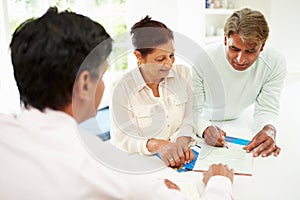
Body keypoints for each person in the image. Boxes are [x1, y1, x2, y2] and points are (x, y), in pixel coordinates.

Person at [0, 7, 235, 200]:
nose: (169, 63)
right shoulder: (107, 170)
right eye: (101, 75)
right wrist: (219, 182)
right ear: (84, 84)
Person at [193, 8, 287, 157]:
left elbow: (267, 108)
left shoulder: (275, 62)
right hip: (206, 119)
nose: (240, 60)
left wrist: (269, 128)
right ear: (225, 39)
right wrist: (204, 129)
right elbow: (192, 111)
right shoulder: (203, 60)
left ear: (262, 47)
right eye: (234, 48)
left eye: (250, 51)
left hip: (240, 122)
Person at [110, 16, 196, 167]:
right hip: (140, 165)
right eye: (160, 59)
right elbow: (122, 138)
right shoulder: (121, 87)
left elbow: (190, 117)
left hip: (179, 163)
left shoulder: (183, 74)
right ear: (139, 57)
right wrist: (158, 145)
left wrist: (182, 143)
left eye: (171, 55)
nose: (169, 64)